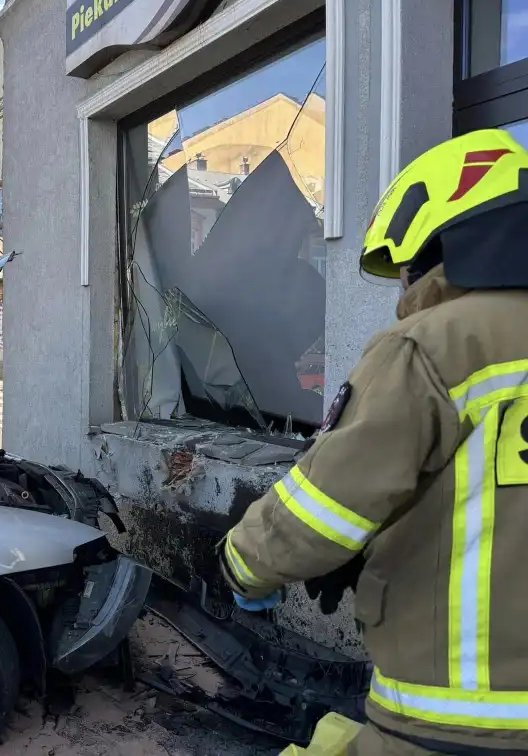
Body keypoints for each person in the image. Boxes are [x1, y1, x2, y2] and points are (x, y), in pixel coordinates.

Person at [219, 129, 528, 755]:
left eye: (408, 268)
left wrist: (241, 564)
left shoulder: (435, 345)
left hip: (452, 719)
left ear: (440, 239)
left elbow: (324, 505)